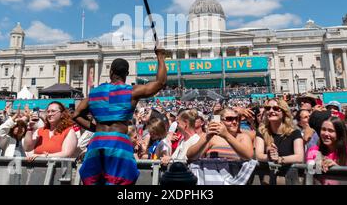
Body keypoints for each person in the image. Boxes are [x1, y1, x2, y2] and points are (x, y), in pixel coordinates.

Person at [73, 48, 167, 185]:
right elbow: (160, 83)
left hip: (97, 142)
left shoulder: (94, 93)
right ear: (127, 74)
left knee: (93, 181)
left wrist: (96, 129)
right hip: (118, 143)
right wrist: (160, 56)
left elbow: (76, 115)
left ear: (110, 72)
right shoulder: (132, 91)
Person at [255, 99, 304, 182]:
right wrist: (269, 157)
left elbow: (299, 157)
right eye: (268, 108)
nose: (271, 111)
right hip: (268, 179)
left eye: (276, 108)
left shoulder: (295, 132)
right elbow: (258, 155)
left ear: (284, 112)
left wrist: (279, 159)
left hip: (288, 179)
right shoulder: (262, 131)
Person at [306, 117, 347, 184]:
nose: (326, 134)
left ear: (339, 133)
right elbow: (310, 174)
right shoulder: (313, 151)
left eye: (331, 131)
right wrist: (318, 165)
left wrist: (337, 169)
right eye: (323, 129)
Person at [187, 108, 253, 161]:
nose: (234, 122)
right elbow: (190, 156)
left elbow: (248, 156)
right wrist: (206, 138)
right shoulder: (212, 138)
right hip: (213, 176)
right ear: (220, 121)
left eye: (236, 119)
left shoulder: (243, 137)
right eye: (229, 119)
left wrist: (226, 135)